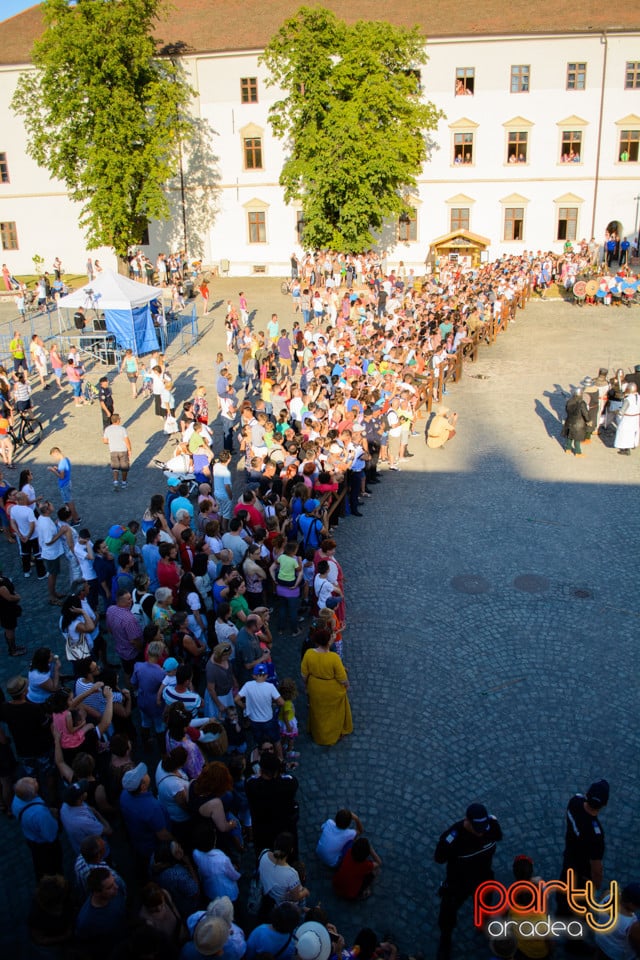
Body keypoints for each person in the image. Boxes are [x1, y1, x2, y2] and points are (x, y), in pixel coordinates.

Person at [434, 802, 503, 960]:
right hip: (459, 881)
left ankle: (483, 921)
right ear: (466, 821)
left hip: (483, 876)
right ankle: (446, 939)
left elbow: (498, 835)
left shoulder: (490, 826)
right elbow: (439, 857)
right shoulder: (453, 836)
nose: (481, 833)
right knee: (448, 912)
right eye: (477, 829)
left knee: (485, 902)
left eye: (483, 828)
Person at [557, 779, 609, 922]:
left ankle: (560, 911)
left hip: (569, 859)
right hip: (583, 875)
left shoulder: (574, 803)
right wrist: (596, 886)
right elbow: (596, 868)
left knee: (563, 891)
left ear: (587, 794)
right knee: (579, 909)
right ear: (605, 804)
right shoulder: (596, 835)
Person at [301, 628, 352, 746]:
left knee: (318, 711)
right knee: (334, 712)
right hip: (331, 688)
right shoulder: (334, 657)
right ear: (329, 642)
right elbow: (342, 677)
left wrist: (307, 685)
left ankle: (318, 733)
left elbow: (304, 674)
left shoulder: (309, 654)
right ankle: (334, 733)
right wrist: (346, 685)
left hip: (315, 686)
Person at [12, 775, 63, 879]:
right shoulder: (41, 814)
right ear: (33, 794)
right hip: (44, 846)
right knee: (52, 867)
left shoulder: (17, 799)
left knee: (39, 864)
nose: (35, 779)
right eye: (33, 782)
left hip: (31, 838)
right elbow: (51, 836)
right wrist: (53, 817)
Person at [332, 835, 382, 900]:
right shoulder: (365, 865)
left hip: (336, 885)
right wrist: (371, 850)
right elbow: (379, 862)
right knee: (376, 870)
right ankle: (364, 892)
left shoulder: (349, 852)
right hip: (350, 894)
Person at [48, 447, 80, 523]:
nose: (54, 458)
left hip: (64, 484)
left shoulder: (62, 463)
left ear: (56, 453)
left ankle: (75, 520)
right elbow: (65, 471)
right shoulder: (66, 459)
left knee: (69, 502)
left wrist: (53, 471)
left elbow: (61, 476)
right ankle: (76, 517)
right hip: (68, 482)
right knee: (69, 502)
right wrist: (57, 469)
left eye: (53, 456)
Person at [103, 413, 132, 490]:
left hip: (113, 450)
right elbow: (126, 440)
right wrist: (129, 450)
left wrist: (112, 441)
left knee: (115, 467)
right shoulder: (122, 429)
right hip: (122, 450)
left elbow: (105, 441)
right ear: (118, 420)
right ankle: (124, 482)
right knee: (124, 467)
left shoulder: (107, 429)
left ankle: (115, 481)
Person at [614, 382, 640, 456]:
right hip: (636, 418)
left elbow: (621, 412)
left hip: (627, 418)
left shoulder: (628, 400)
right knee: (633, 433)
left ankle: (625, 449)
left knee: (624, 433)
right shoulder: (638, 397)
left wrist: (616, 411)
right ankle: (633, 445)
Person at [562, 387, 590, 457]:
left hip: (569, 420)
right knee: (577, 437)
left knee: (569, 435)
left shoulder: (569, 401)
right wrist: (588, 420)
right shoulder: (582, 403)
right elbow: (585, 413)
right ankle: (578, 452)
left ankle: (568, 448)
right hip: (578, 422)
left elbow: (566, 410)